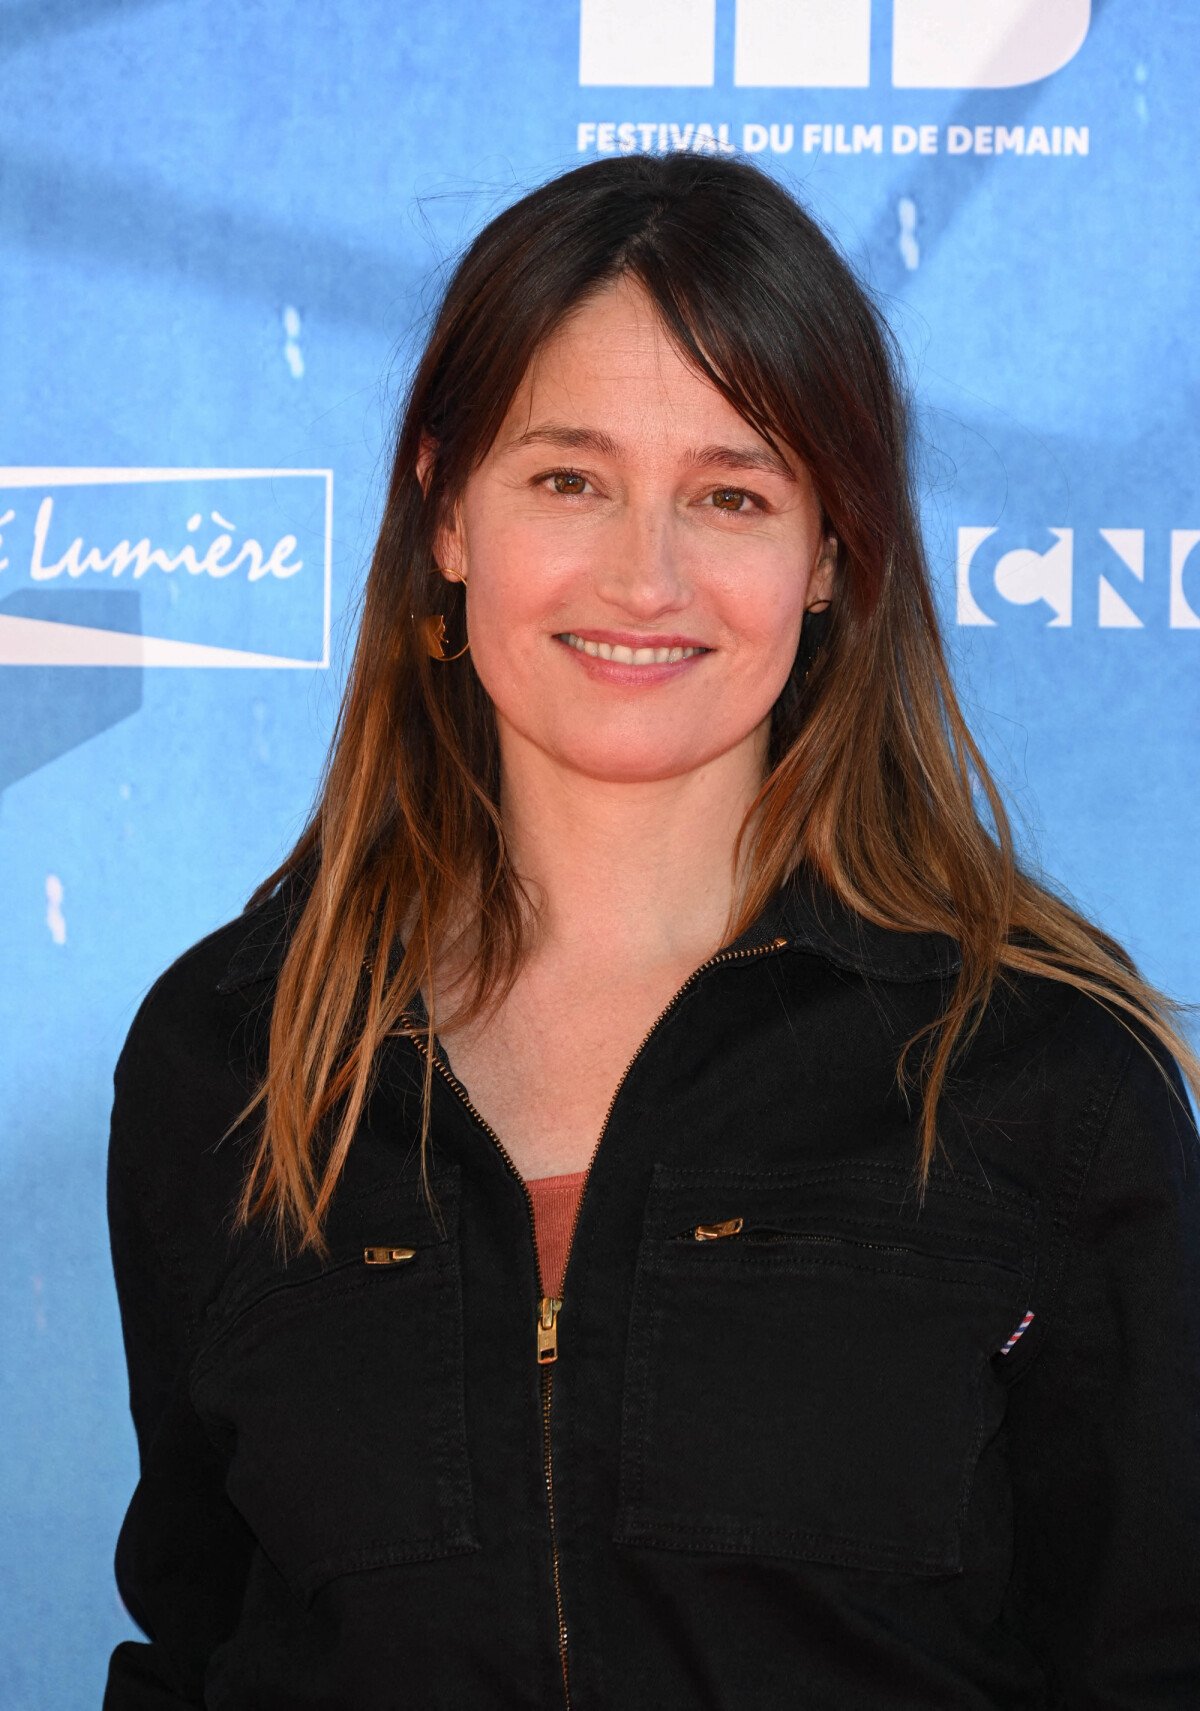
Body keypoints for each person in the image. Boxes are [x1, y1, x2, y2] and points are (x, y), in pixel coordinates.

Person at [104, 153, 1200, 1710]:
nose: (646, 574)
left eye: (732, 494)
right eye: (570, 479)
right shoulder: (230, 1056)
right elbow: (201, 1648)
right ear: (448, 510)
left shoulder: (1041, 1078)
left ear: (829, 554)